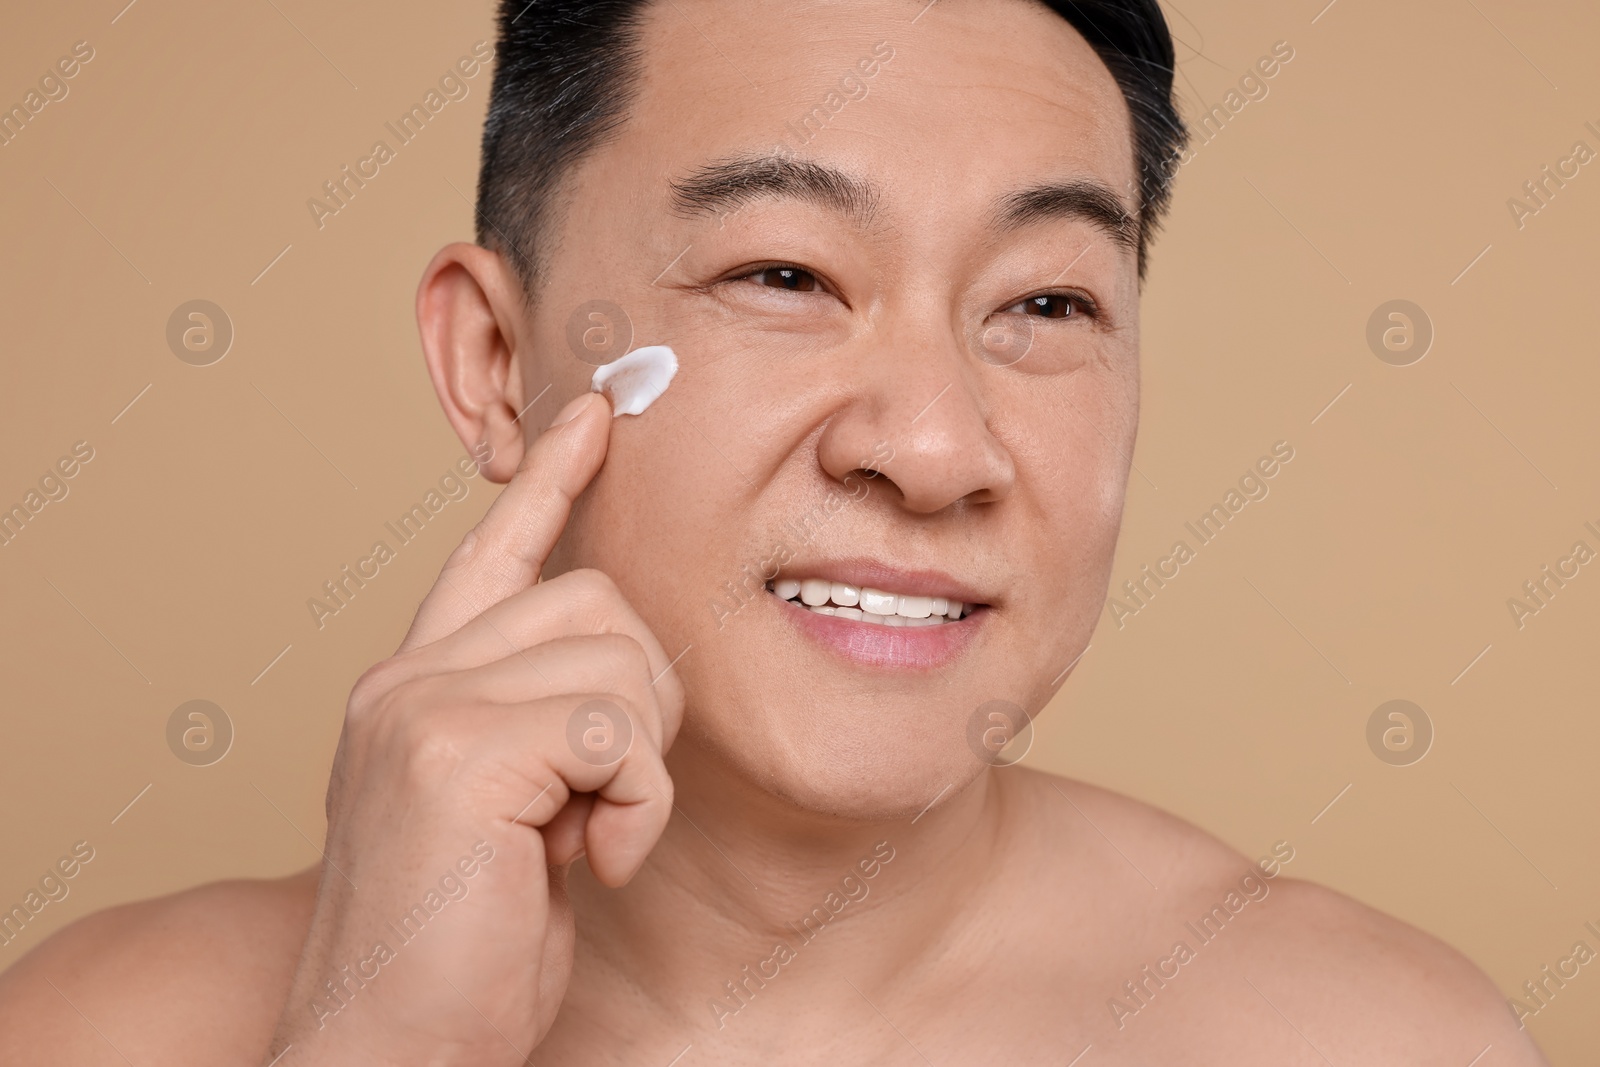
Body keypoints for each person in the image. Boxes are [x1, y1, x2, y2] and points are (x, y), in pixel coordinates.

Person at [0, 0, 1549, 1063]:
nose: (935, 448)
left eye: (1048, 303)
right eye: (785, 276)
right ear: (492, 363)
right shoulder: (103, 1031)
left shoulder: (1372, 1037)